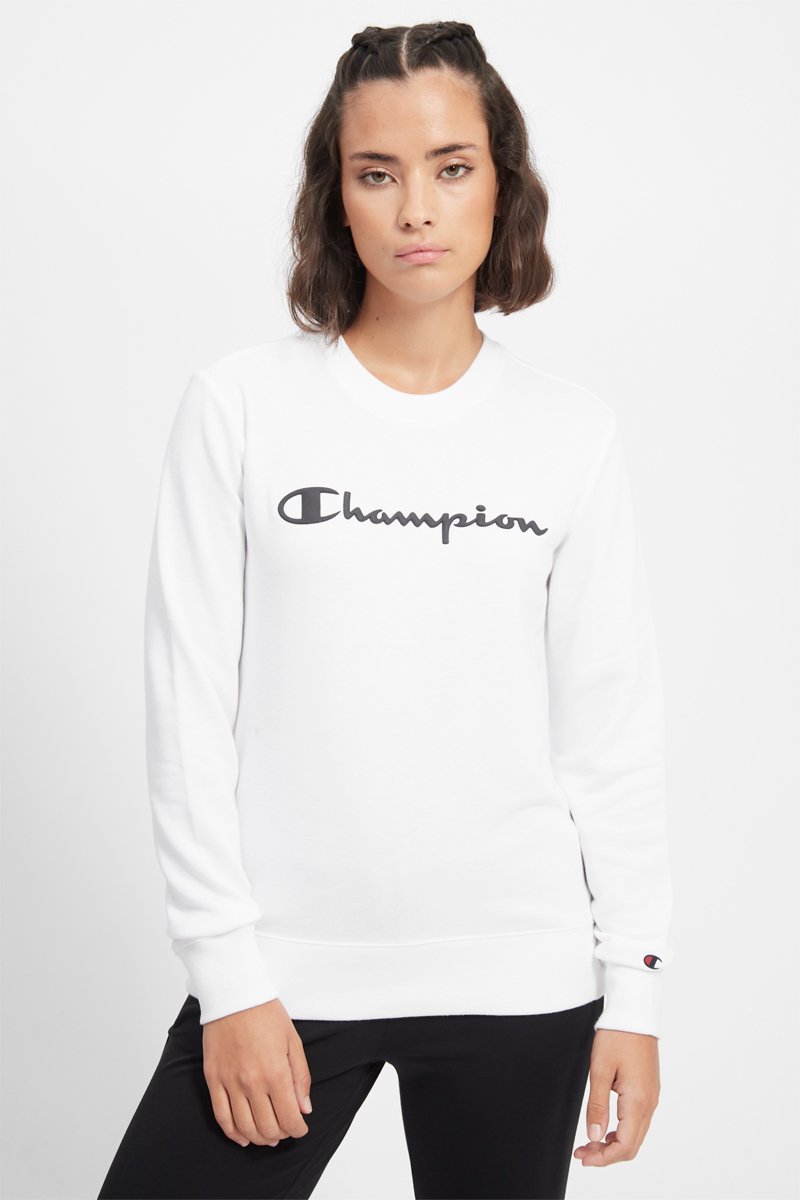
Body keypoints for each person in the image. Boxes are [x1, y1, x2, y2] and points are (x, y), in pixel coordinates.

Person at [97, 19, 674, 1200]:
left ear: (500, 186)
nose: (416, 208)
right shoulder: (240, 407)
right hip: (286, 977)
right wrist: (229, 978)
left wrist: (634, 990)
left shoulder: (568, 434)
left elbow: (607, 736)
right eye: (377, 173)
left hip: (522, 980)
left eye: (449, 167)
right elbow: (187, 714)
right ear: (337, 199)